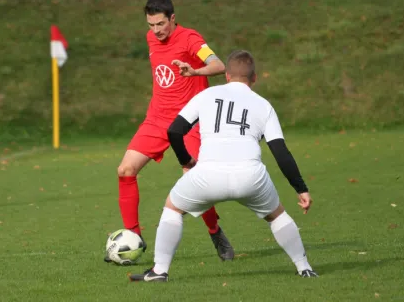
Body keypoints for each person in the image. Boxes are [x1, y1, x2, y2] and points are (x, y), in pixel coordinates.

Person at [129, 50, 318, 282]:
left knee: (173, 208)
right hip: (250, 176)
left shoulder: (207, 94)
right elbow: (281, 153)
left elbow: (174, 131)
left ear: (227, 75)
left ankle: (159, 271)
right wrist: (301, 189)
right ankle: (304, 267)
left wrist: (185, 161)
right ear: (254, 78)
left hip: (208, 174)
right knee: (277, 215)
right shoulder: (263, 105)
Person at [109, 0, 234, 263]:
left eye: (161, 24)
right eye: (151, 25)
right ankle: (134, 239)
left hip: (188, 122)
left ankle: (215, 232)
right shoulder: (150, 38)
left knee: (194, 180)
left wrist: (195, 72)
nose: (156, 31)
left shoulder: (191, 39)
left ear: (173, 18)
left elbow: (219, 65)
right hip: (156, 118)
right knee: (125, 170)